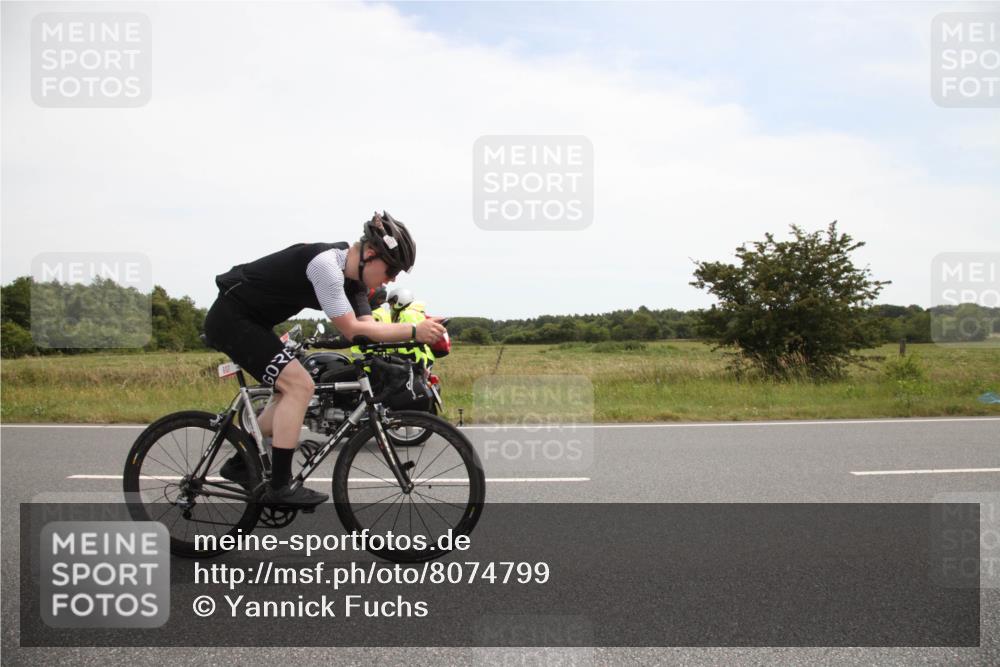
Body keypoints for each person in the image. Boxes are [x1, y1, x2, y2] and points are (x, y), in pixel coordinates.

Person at [202, 212, 445, 507]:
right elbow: (354, 329)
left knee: (287, 393)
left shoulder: (354, 283)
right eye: (392, 269)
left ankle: (242, 460)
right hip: (232, 318)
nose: (392, 279)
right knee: (299, 386)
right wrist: (414, 331)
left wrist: (413, 338)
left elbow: (368, 332)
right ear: (370, 254)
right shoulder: (326, 266)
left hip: (254, 323)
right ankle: (279, 487)